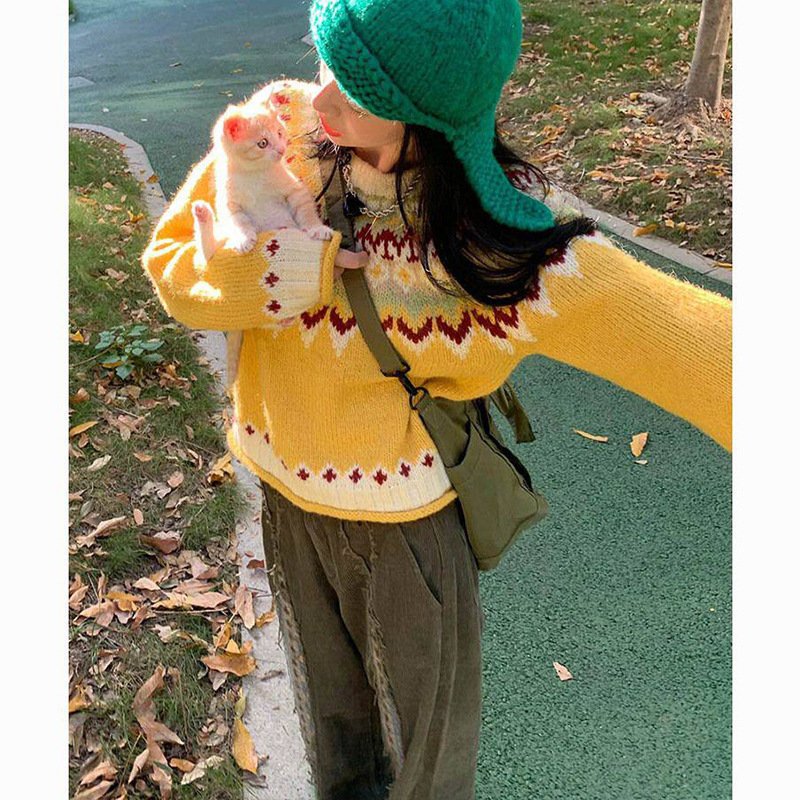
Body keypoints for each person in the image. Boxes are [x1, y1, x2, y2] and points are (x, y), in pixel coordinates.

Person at [141, 1, 732, 798]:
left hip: (406, 534)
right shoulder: (273, 128)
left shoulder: (506, 237)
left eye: (356, 93)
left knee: (429, 754)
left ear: (427, 119)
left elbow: (698, 348)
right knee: (333, 737)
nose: (321, 100)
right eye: (327, 62)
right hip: (284, 499)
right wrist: (287, 272)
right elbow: (175, 267)